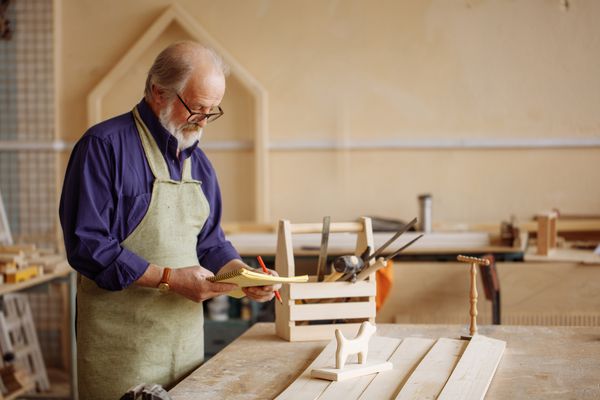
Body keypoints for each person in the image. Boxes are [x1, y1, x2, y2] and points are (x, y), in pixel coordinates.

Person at [59, 41, 279, 400]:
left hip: (184, 348)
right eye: (197, 108)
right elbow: (88, 245)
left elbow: (210, 242)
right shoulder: (103, 147)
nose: (204, 121)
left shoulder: (200, 163)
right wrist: (169, 279)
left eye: (212, 111)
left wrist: (244, 275)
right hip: (121, 354)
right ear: (158, 92)